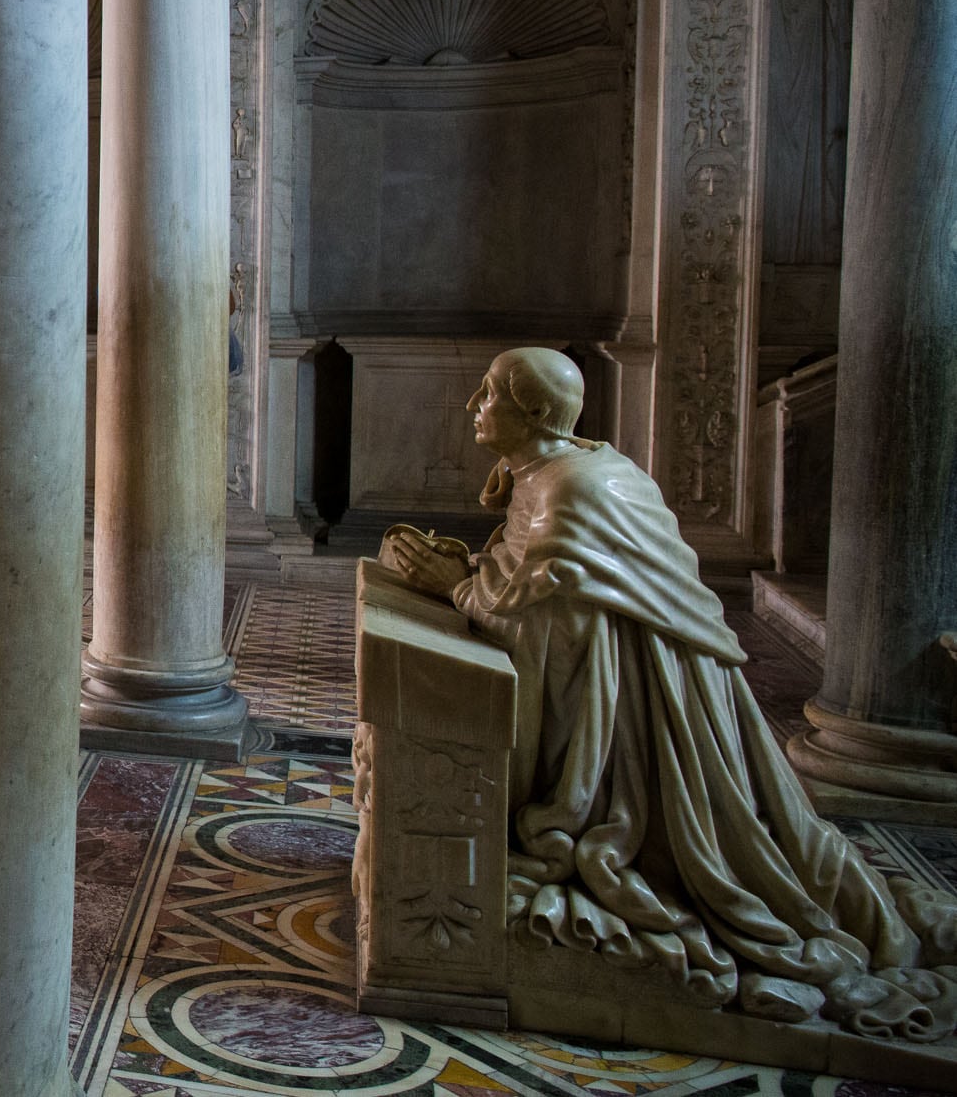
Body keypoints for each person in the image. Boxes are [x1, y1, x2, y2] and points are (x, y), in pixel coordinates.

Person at [385, 347, 957, 1038]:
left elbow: (549, 606)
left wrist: (453, 585)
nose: (474, 404)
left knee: (660, 845)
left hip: (632, 697)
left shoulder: (577, 485)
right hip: (602, 670)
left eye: (489, 394)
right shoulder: (557, 470)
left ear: (535, 413)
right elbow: (533, 578)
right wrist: (469, 570)